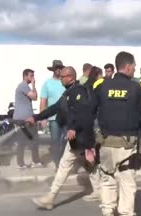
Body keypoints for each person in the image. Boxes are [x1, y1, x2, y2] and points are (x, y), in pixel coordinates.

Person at [88, 51, 141, 216]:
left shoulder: (102, 87)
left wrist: (88, 144)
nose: (135, 69)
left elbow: (88, 114)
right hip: (127, 146)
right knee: (127, 184)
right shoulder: (136, 89)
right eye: (134, 66)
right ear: (127, 67)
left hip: (106, 144)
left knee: (108, 180)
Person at [30, 66, 102, 208]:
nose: (61, 79)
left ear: (70, 77)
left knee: (65, 166)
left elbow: (83, 113)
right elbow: (55, 108)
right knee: (88, 165)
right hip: (81, 138)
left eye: (63, 76)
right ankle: (100, 191)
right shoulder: (69, 93)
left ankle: (50, 197)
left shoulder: (77, 92)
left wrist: (72, 128)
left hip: (80, 137)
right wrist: (36, 117)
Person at [14, 69, 44, 169]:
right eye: (31, 76)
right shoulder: (23, 86)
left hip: (25, 118)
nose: (33, 78)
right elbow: (35, 97)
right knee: (30, 140)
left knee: (28, 141)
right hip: (24, 119)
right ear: (25, 76)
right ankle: (29, 162)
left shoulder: (24, 86)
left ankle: (23, 163)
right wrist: (34, 85)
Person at [40, 60, 66, 167]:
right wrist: (43, 117)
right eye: (57, 68)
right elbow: (43, 101)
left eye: (60, 68)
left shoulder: (65, 82)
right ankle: (57, 163)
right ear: (53, 69)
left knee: (67, 141)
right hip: (53, 118)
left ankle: (64, 162)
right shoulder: (47, 83)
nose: (59, 70)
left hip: (66, 117)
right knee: (55, 141)